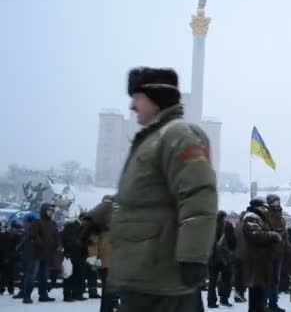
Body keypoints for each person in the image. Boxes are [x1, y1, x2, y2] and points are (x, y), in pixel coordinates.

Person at [108, 67, 218, 312]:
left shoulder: (178, 134)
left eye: (137, 97)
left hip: (162, 279)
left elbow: (199, 194)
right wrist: (93, 219)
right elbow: (134, 200)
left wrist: (192, 256)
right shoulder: (151, 139)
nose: (132, 106)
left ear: (156, 99)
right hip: (142, 273)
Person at [241, 199, 283, 312]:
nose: (265, 209)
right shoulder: (251, 217)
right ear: (257, 207)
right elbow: (255, 235)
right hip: (256, 263)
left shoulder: (258, 217)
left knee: (260, 293)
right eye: (263, 207)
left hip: (261, 262)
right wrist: (273, 235)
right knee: (256, 295)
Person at [83, 195, 119, 312]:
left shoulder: (108, 221)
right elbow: (93, 243)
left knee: (109, 289)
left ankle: (108, 308)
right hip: (106, 261)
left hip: (109, 261)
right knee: (108, 289)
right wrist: (93, 260)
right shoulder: (98, 223)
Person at [22, 203, 59, 304]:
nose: (51, 212)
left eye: (52, 210)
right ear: (44, 211)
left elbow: (56, 237)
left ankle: (43, 295)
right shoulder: (37, 222)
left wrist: (55, 245)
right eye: (49, 210)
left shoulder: (53, 224)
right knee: (32, 275)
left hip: (47, 254)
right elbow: (33, 235)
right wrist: (42, 244)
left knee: (44, 276)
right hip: (36, 254)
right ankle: (26, 296)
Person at [208, 210, 236, 308]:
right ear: (224, 217)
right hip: (224, 257)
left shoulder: (209, 226)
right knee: (226, 279)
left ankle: (211, 302)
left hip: (211, 257)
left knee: (212, 281)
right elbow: (233, 242)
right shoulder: (228, 225)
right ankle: (224, 299)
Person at [265, 194, 287, 312]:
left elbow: (283, 232)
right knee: (269, 279)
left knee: (275, 279)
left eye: (278, 201)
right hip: (270, 251)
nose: (277, 203)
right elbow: (266, 231)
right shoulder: (267, 214)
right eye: (275, 201)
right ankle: (267, 304)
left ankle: (273, 303)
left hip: (279, 250)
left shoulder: (280, 214)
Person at [62, 215, 87, 301]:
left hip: (74, 254)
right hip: (74, 254)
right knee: (73, 275)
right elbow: (73, 241)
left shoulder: (72, 227)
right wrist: (81, 244)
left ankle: (72, 294)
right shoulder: (75, 227)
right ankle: (72, 294)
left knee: (73, 275)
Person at [0, 221, 21, 296]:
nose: (17, 230)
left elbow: (17, 248)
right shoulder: (4, 236)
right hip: (4, 257)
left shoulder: (17, 237)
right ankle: (2, 289)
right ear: (12, 228)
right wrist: (4, 258)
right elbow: (2, 247)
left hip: (12, 258)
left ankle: (10, 289)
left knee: (11, 275)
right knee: (4, 274)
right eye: (16, 229)